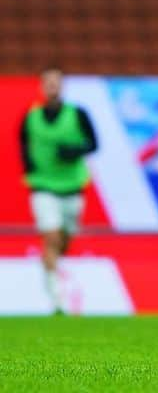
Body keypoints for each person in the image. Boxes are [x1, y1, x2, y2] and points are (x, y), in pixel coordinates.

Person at [18, 67, 98, 313]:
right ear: (41, 86)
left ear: (63, 86)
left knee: (64, 239)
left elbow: (93, 143)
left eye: (56, 82)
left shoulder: (78, 115)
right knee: (50, 236)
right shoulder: (30, 117)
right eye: (47, 83)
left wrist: (74, 151)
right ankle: (56, 296)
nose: (52, 87)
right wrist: (29, 164)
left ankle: (53, 262)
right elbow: (24, 144)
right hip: (42, 186)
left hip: (72, 187)